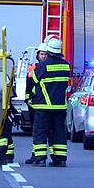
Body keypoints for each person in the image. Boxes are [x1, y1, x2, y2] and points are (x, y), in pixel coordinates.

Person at [25, 36, 71, 167]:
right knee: (58, 132)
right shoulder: (66, 65)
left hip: (43, 105)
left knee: (40, 131)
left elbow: (33, 80)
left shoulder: (43, 66)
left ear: (49, 51)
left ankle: (40, 158)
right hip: (60, 106)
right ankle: (60, 159)